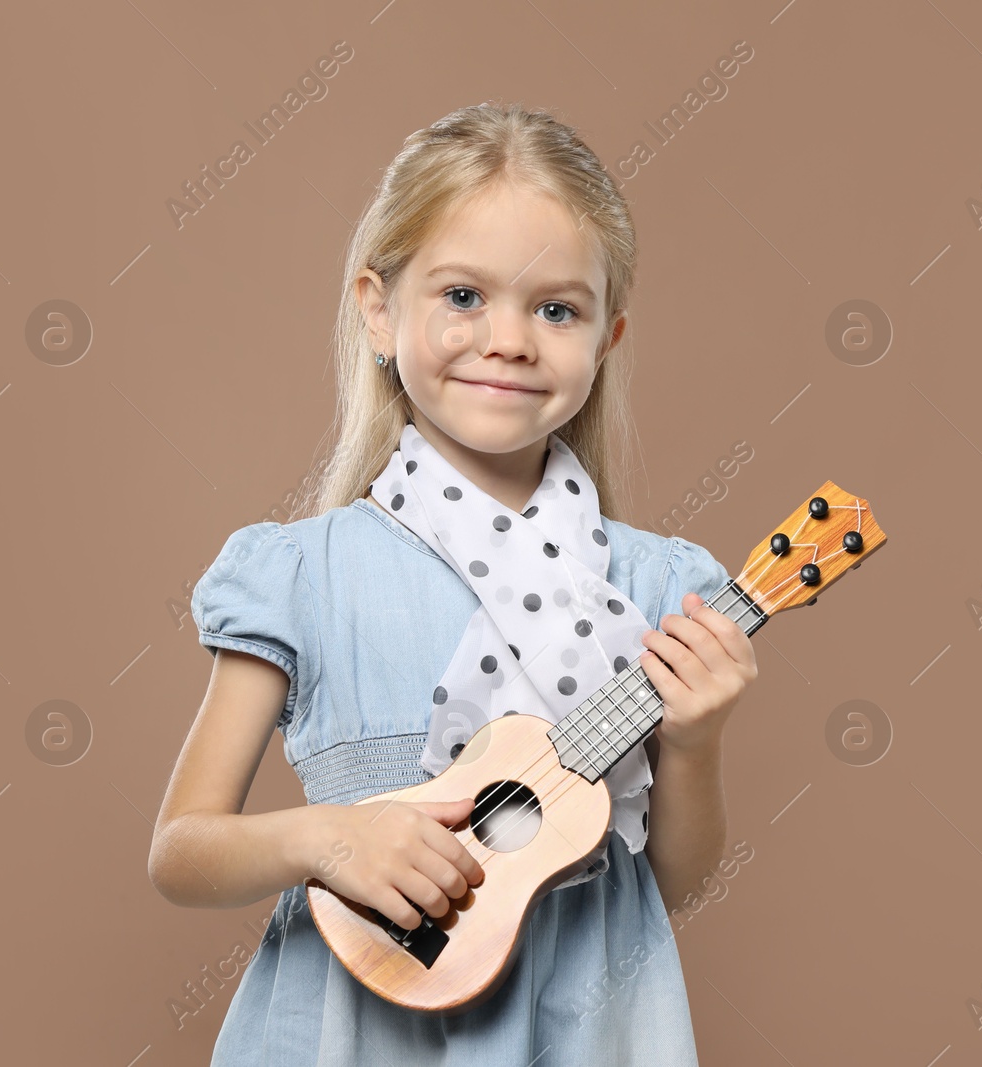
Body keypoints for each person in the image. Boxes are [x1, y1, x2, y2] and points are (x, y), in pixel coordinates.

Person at [148, 100, 759, 1065]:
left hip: (589, 1023)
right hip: (356, 1021)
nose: (510, 339)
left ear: (606, 339)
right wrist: (330, 840)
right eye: (464, 296)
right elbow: (182, 849)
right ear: (380, 309)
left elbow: (673, 879)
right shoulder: (305, 574)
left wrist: (699, 739)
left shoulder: (658, 584)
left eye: (556, 309)